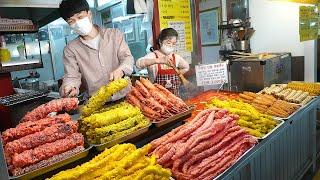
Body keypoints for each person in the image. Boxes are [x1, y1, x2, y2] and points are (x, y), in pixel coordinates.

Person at [58, 0, 134, 99]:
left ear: (89, 14)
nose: (77, 23)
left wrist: (121, 70)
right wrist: (69, 87)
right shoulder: (70, 49)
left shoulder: (114, 35)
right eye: (71, 21)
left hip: (126, 96)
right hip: (97, 103)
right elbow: (71, 76)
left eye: (80, 17)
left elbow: (127, 58)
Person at [136, 28, 189, 96]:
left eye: (173, 44)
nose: (171, 46)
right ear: (160, 41)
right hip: (158, 98)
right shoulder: (153, 55)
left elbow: (186, 67)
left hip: (175, 98)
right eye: (168, 43)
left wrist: (177, 74)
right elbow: (138, 64)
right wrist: (158, 60)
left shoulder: (176, 57)